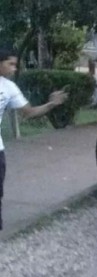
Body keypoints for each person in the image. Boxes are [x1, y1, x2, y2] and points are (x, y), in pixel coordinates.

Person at [0, 48, 68, 231]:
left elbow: (29, 112)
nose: (15, 68)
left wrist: (52, 104)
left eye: (16, 64)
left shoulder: (9, 87)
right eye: (11, 64)